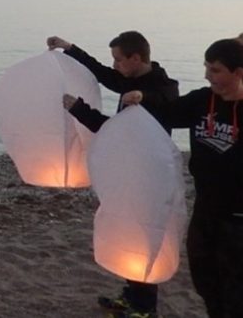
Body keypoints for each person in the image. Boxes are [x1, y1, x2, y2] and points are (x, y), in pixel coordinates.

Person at [48, 31, 179, 318]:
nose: (116, 65)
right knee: (128, 233)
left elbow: (155, 105)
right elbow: (100, 71)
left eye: (119, 59)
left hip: (149, 173)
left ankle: (145, 307)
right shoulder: (128, 79)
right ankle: (132, 296)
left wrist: (79, 110)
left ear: (135, 58)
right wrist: (69, 48)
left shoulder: (162, 88)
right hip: (126, 167)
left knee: (145, 234)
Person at [120, 38, 243, 318]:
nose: (207, 75)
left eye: (215, 70)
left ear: (238, 73)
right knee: (205, 280)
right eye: (206, 67)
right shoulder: (203, 100)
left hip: (238, 219)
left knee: (235, 291)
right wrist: (143, 97)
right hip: (206, 210)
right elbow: (167, 111)